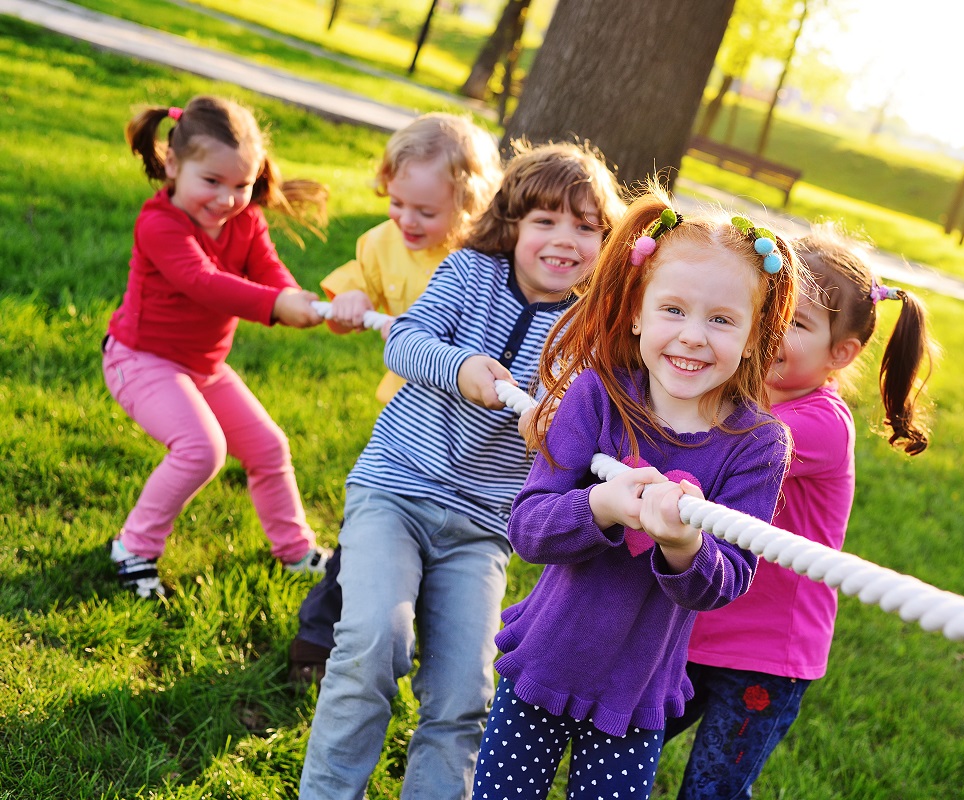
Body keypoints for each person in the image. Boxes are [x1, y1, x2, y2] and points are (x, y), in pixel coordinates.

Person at [299, 141, 627, 800]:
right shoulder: (470, 272)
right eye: (545, 221)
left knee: (465, 694)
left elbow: (585, 436)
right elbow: (407, 339)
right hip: (397, 488)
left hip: (482, 526)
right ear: (512, 225)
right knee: (371, 644)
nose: (564, 240)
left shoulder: (593, 331)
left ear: (606, 242)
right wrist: (461, 368)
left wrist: (558, 429)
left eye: (586, 228)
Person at [470, 187, 803, 800]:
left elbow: (725, 581)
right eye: (673, 310)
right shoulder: (596, 395)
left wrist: (682, 544)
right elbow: (529, 529)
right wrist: (603, 506)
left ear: (756, 337)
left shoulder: (759, 443)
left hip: (637, 693)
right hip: (542, 665)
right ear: (636, 314)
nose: (694, 337)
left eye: (723, 320)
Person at [667, 222, 939, 800]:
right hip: (697, 625)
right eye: (769, 310)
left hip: (765, 655)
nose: (770, 331)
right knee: (622, 751)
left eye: (796, 323)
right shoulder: (742, 395)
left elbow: (712, 447)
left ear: (841, 352)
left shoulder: (817, 425)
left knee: (710, 791)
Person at [288, 113, 502, 685]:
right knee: (374, 531)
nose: (407, 220)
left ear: (469, 205)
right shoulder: (381, 244)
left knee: (441, 545)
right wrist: (353, 299)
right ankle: (317, 630)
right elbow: (346, 298)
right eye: (397, 203)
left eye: (425, 212)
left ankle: (428, 637)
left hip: (473, 432)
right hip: (407, 425)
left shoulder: (484, 261)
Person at [103, 95, 331, 600]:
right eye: (212, 182)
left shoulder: (245, 221)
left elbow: (268, 268)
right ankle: (133, 547)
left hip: (202, 367)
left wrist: (290, 295)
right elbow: (202, 281)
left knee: (269, 447)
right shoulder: (159, 223)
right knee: (202, 449)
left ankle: (294, 551)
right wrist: (275, 305)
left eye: (241, 185)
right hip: (139, 359)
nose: (227, 199)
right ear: (174, 165)